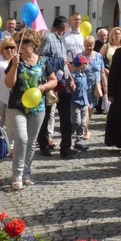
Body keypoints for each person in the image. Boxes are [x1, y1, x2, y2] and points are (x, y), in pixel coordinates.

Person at [5, 29, 58, 189]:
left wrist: (43, 87)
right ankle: (17, 175)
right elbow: (8, 83)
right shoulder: (16, 61)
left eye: (26, 42)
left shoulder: (43, 61)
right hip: (17, 105)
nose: (22, 45)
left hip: (38, 106)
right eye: (20, 42)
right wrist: (14, 66)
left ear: (34, 44)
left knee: (31, 142)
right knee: (22, 138)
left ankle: (27, 173)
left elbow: (54, 80)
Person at [38, 16, 75, 158]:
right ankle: (44, 145)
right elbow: (41, 57)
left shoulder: (61, 40)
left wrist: (71, 79)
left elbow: (65, 62)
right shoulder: (48, 38)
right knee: (46, 116)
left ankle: (65, 147)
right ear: (63, 27)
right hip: (51, 82)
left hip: (63, 82)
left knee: (66, 117)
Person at [82, 35, 106, 139]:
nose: (89, 48)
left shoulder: (98, 56)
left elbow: (102, 72)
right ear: (84, 45)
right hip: (83, 86)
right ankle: (85, 130)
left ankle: (85, 127)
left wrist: (105, 86)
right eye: (87, 45)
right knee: (85, 108)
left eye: (91, 45)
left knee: (91, 108)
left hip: (95, 86)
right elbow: (75, 70)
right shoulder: (80, 56)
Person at [70, 55, 92, 151]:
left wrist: (88, 102)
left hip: (84, 103)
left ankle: (79, 141)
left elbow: (85, 90)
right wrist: (72, 86)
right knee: (76, 122)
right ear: (81, 65)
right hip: (75, 102)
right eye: (85, 63)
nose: (86, 65)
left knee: (83, 123)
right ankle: (68, 135)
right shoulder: (73, 76)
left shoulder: (84, 76)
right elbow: (71, 89)